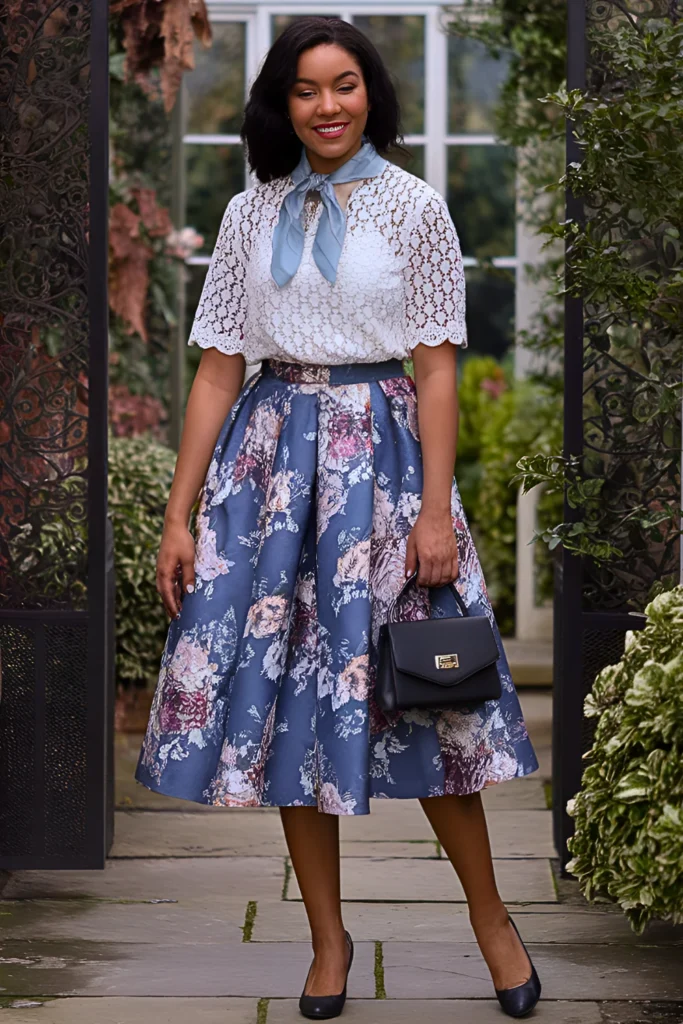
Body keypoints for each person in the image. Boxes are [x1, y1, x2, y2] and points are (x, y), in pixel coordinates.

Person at [135, 16, 541, 1020]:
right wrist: (179, 515)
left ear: (370, 95)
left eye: (345, 85)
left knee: (428, 703)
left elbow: (438, 365)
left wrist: (436, 511)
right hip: (271, 478)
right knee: (286, 717)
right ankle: (326, 942)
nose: (327, 105)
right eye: (307, 88)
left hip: (388, 469)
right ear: (281, 102)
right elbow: (218, 367)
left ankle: (492, 919)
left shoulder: (414, 211)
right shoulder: (246, 215)